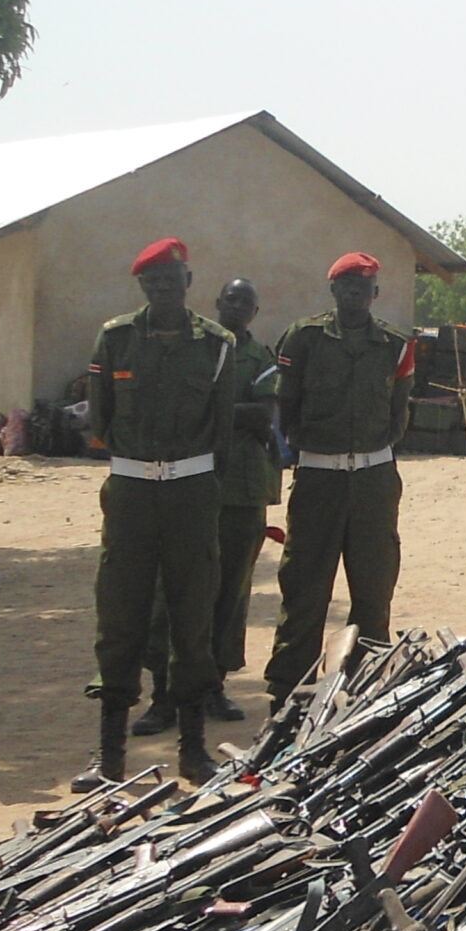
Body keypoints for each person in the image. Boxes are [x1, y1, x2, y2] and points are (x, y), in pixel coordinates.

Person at [81, 238, 241, 787]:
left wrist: (189, 477)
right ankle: (109, 756)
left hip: (191, 494)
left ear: (188, 280)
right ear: (143, 287)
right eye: (153, 282)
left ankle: (193, 750)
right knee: (120, 615)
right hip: (129, 494)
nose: (164, 288)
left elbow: (222, 431)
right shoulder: (116, 339)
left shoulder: (217, 345)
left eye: (172, 279)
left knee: (192, 616)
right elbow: (100, 420)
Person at [262, 253, 414, 700]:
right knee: (305, 588)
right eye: (347, 283)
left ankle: (367, 691)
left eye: (364, 285)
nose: (355, 291)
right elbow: (285, 407)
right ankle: (288, 692)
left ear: (375, 294)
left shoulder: (395, 345)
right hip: (319, 479)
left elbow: (398, 414)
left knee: (373, 588)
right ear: (333, 290)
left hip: (374, 480)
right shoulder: (303, 339)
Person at [136, 278, 277, 732]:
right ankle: (164, 695)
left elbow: (265, 416)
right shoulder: (196, 348)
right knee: (170, 590)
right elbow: (170, 407)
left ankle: (214, 685)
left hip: (242, 490)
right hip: (186, 486)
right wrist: (233, 411)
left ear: (255, 312)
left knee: (231, 591)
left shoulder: (261, 358)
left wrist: (211, 410)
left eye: (246, 302)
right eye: (230, 299)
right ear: (216, 303)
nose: (236, 307)